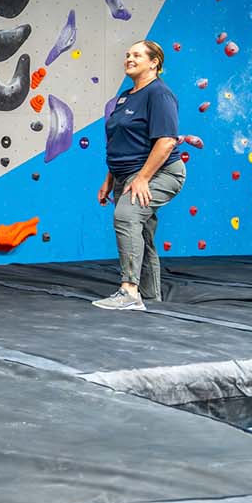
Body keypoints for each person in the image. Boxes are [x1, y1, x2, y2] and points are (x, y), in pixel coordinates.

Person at [93, 40, 186, 311]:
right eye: (127, 55)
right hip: (126, 175)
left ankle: (129, 292)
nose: (129, 59)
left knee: (127, 216)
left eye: (136, 55)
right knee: (141, 232)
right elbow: (121, 141)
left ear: (154, 61)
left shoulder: (159, 94)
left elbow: (167, 141)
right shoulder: (126, 96)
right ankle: (151, 296)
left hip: (161, 173)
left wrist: (143, 178)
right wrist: (110, 180)